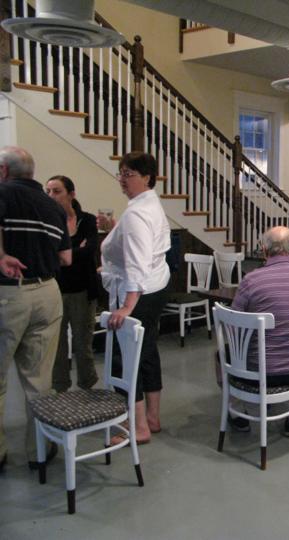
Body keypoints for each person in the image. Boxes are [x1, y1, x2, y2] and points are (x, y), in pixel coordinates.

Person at [0, 146, 71, 471]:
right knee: (39, 379)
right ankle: (38, 451)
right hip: (47, 292)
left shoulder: (2, 194)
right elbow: (65, 257)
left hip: (8, 294)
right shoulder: (53, 206)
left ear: (4, 171)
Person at [99, 152, 170, 444]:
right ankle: (151, 418)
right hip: (154, 287)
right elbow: (141, 244)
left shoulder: (137, 214)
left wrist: (127, 305)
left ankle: (138, 428)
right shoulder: (148, 203)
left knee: (126, 359)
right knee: (148, 351)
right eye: (121, 173)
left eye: (129, 174)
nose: (122, 179)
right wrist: (116, 228)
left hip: (139, 293)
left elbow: (137, 262)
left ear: (147, 178)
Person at [231, 226, 289, 435]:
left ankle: (235, 412)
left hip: (256, 371)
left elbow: (233, 325)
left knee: (221, 354)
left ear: (264, 250)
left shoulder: (251, 280)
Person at [45, 176, 100, 393]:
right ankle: (60, 388)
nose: (51, 196)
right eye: (48, 191)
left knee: (82, 343)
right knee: (57, 345)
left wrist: (64, 255)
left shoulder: (86, 220)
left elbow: (90, 250)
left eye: (57, 191)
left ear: (71, 194)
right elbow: (48, 255)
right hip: (55, 290)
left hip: (83, 291)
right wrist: (76, 251)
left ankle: (87, 386)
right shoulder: (48, 221)